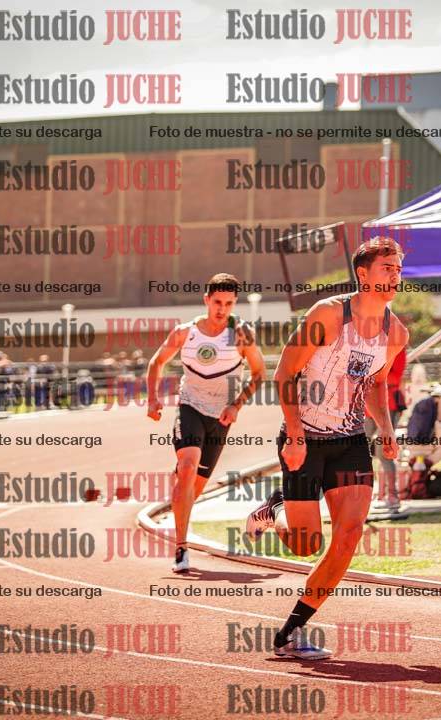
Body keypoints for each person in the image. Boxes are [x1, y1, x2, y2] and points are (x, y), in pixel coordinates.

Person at [243, 237, 408, 660]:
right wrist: (294, 433)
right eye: (387, 267)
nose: (395, 275)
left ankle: (291, 632)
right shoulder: (329, 314)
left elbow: (375, 383)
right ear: (363, 274)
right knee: (305, 544)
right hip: (306, 438)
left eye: (398, 268)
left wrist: (386, 428)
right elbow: (284, 372)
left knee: (349, 535)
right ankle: (276, 507)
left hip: (350, 442)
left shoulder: (396, 332)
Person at [147, 273, 265, 573]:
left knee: (194, 489)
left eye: (228, 303)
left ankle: (180, 490)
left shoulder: (242, 334)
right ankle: (181, 548)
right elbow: (156, 362)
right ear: (206, 300)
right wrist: (152, 399)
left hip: (221, 416)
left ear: (234, 303)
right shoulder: (185, 333)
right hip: (190, 407)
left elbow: (259, 373)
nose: (222, 309)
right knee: (188, 467)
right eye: (217, 302)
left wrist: (236, 405)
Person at [364, 346, 407, 511]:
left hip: (389, 406)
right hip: (368, 407)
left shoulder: (397, 346)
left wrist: (373, 375)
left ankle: (393, 495)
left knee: (383, 451)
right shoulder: (368, 344)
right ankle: (371, 494)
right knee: (362, 451)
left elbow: (395, 378)